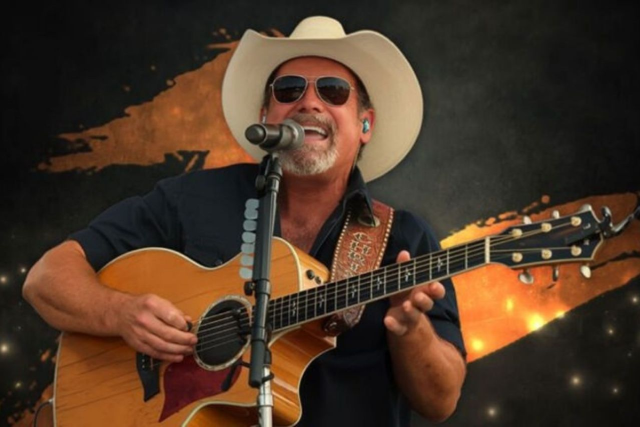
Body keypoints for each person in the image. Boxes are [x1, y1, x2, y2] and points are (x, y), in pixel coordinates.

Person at [23, 16, 466, 426]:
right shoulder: (191, 198)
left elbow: (440, 401)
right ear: (264, 117)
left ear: (365, 124)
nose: (309, 102)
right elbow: (46, 279)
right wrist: (120, 313)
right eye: (289, 90)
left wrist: (411, 330)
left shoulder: (404, 237)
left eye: (333, 91)